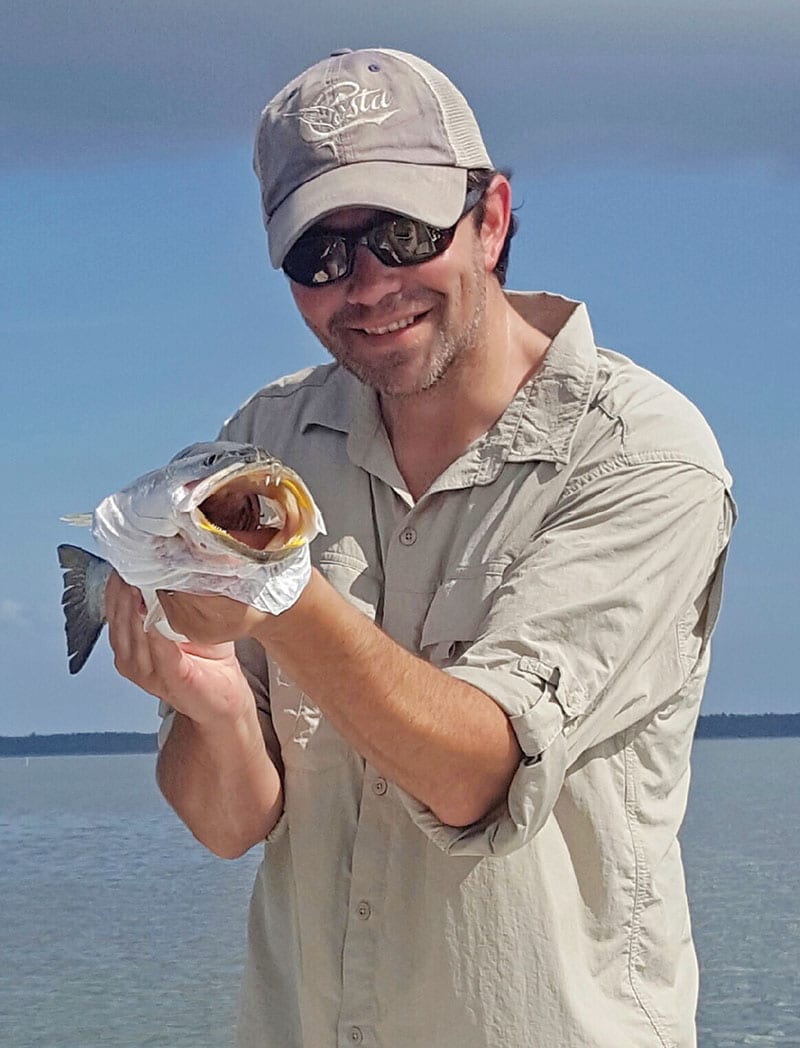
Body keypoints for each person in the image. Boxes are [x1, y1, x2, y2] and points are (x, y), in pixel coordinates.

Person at [105, 47, 735, 1048]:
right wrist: (209, 700)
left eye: (401, 234)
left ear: (490, 220)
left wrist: (275, 592)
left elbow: (477, 772)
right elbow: (228, 823)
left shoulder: (643, 459)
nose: (365, 285)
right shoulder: (264, 442)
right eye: (320, 256)